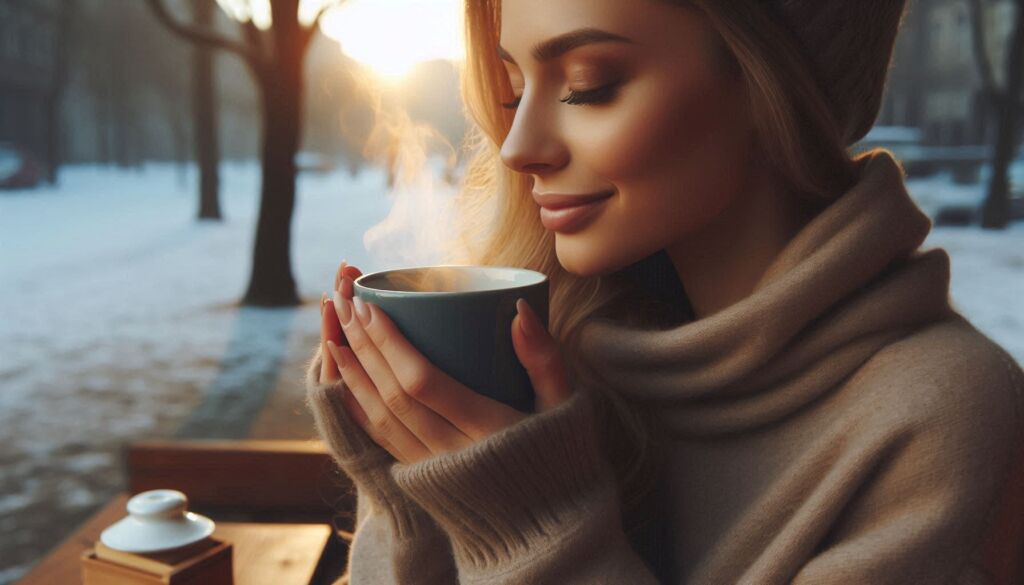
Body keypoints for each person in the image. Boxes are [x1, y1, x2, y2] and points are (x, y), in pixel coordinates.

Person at [306, 0, 1024, 583]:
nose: (518, 144)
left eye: (589, 84)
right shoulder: (557, 359)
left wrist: (538, 534)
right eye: (512, 90)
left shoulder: (946, 421)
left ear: (768, 82)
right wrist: (405, 492)